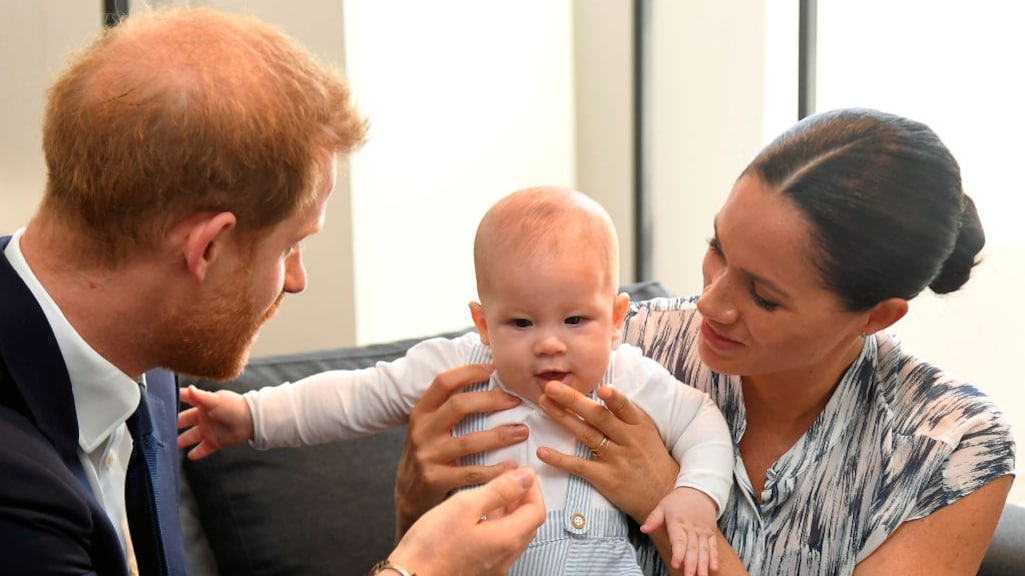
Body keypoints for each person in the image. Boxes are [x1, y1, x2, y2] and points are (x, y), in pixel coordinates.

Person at [0, 7, 543, 576]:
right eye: (290, 246)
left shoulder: (148, 363)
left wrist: (413, 518)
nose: (296, 279)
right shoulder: (14, 489)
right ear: (207, 249)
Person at [392, 108, 1017, 575]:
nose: (711, 302)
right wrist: (417, 495)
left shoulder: (952, 449)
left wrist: (666, 498)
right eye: (718, 247)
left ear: (876, 316)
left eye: (763, 295)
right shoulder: (617, 344)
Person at [177, 186, 735, 576]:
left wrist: (693, 497)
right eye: (520, 322)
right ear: (482, 323)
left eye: (575, 320)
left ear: (616, 319)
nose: (549, 343)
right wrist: (251, 416)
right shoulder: (458, 367)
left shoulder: (628, 375)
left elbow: (703, 424)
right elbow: (354, 396)